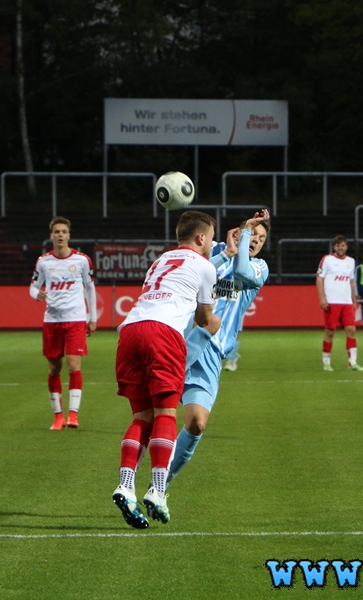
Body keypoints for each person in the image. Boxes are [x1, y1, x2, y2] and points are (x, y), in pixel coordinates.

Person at [112, 210, 217, 529]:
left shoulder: (159, 261)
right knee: (166, 415)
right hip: (163, 334)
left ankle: (125, 485)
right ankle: (158, 490)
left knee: (141, 418)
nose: (212, 243)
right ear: (201, 238)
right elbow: (203, 319)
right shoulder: (205, 265)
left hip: (130, 331)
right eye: (212, 237)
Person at [168, 210, 270, 484]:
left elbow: (241, 270)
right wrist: (226, 252)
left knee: (196, 423)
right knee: (153, 415)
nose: (256, 241)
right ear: (237, 231)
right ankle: (129, 479)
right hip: (180, 340)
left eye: (261, 238)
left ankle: (161, 484)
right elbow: (187, 273)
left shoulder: (260, 267)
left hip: (212, 354)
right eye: (252, 234)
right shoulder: (215, 251)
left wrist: (241, 243)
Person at [30, 216, 98, 431]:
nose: (60, 235)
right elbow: (33, 286)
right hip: (52, 320)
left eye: (63, 232)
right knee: (54, 368)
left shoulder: (81, 260)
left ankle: (73, 415)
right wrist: (37, 294)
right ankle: (58, 416)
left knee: (73, 365)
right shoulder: (43, 262)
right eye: (56, 232)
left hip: (76, 319)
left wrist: (92, 318)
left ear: (69, 235)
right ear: (51, 235)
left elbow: (90, 289)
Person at [316, 235, 363, 371]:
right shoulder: (327, 260)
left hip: (346, 302)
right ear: (334, 247)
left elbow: (351, 281)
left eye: (342, 245)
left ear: (346, 247)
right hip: (332, 301)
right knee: (330, 332)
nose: (340, 248)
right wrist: (322, 298)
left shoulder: (351, 261)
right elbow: (319, 279)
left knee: (351, 330)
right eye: (338, 245)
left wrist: (354, 300)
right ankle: (326, 362)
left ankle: (352, 362)